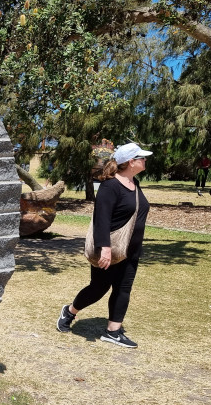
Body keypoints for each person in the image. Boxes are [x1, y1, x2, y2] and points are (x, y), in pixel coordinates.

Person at [56, 141, 152, 348]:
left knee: (123, 288)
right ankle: (70, 311)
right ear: (131, 162)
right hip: (110, 249)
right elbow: (102, 220)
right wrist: (105, 249)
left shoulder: (134, 184)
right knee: (99, 288)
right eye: (141, 157)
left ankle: (113, 332)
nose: (145, 160)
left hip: (131, 249)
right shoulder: (110, 187)